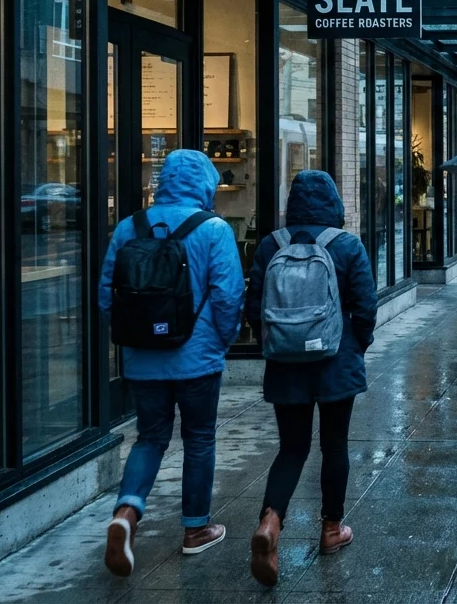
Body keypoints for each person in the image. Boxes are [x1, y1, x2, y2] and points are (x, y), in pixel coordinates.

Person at [98, 149, 245, 576]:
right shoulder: (213, 229)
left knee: (149, 438)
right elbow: (228, 296)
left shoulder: (130, 226)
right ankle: (196, 530)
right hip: (197, 359)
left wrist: (136, 338)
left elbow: (107, 295)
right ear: (204, 183)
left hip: (143, 360)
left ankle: (126, 514)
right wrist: (220, 340)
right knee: (199, 439)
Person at [244, 170, 377, 586]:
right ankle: (331, 528)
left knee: (291, 449)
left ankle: (270, 521)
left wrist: (277, 343)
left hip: (286, 364)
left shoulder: (271, 245)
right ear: (334, 204)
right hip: (336, 361)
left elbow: (253, 307)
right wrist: (358, 345)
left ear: (293, 204)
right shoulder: (347, 245)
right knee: (334, 445)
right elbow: (367, 306)